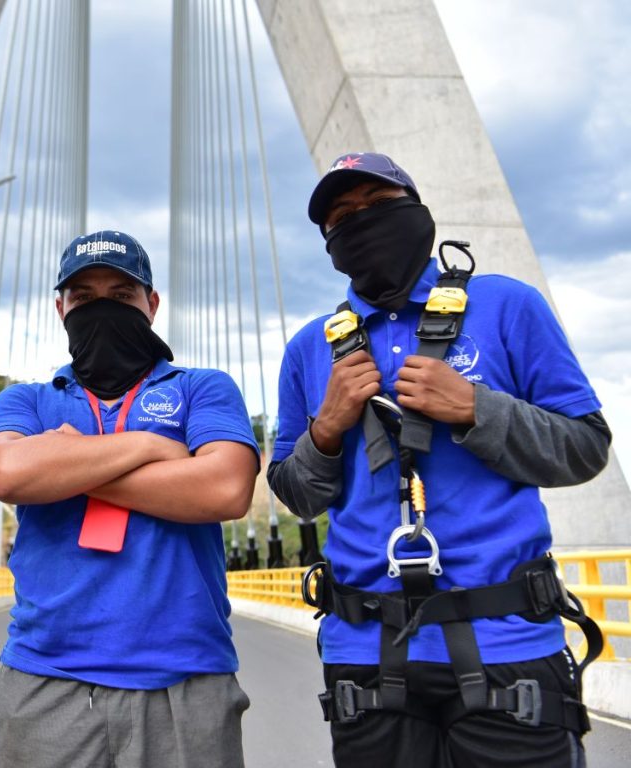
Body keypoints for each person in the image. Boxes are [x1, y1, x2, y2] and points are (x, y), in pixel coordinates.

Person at [267, 152, 611, 768]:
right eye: (343, 216)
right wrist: (326, 429)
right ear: (328, 243)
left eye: (379, 205)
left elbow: (585, 447)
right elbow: (297, 495)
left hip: (506, 644)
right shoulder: (309, 349)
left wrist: (477, 407)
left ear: (418, 212)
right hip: (365, 658)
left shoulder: (507, 306)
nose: (361, 221)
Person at [0, 230, 259, 768]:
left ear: (151, 305)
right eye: (84, 297)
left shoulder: (203, 388)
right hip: (44, 678)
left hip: (185, 680)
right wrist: (153, 446)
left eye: (121, 295)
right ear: (61, 308)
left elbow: (226, 487)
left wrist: (64, 465)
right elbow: (9, 473)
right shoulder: (28, 400)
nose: (102, 307)